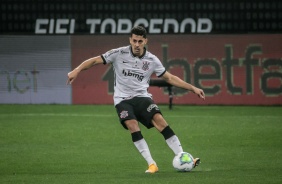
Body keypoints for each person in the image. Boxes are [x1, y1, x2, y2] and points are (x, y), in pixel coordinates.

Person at [67, 26, 205, 173]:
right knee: (132, 125)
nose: (137, 44)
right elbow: (95, 60)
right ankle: (152, 164)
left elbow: (170, 78)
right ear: (130, 40)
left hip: (142, 97)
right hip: (122, 100)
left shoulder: (152, 60)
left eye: (140, 41)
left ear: (145, 41)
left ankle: (182, 156)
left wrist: (192, 88)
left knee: (160, 121)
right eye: (134, 41)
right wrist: (77, 70)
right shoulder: (119, 53)